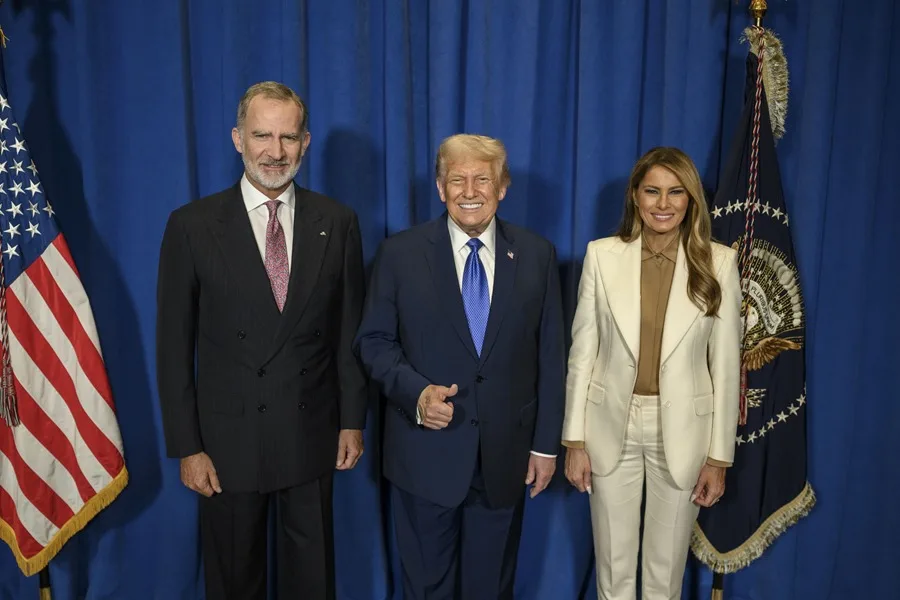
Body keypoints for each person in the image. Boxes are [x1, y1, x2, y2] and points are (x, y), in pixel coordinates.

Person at [155, 81, 367, 600]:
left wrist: (351, 420)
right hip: (227, 445)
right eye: (262, 136)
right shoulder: (192, 226)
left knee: (311, 582)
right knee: (233, 583)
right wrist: (188, 447)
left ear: (306, 142)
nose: (275, 152)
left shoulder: (337, 223)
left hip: (311, 432)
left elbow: (348, 334)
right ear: (237, 139)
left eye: (288, 138)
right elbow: (172, 347)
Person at [354, 134, 565, 599]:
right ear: (439, 187)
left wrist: (546, 447)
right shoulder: (399, 255)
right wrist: (416, 394)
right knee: (425, 589)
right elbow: (373, 341)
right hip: (423, 458)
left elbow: (551, 356)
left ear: (503, 187)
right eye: (457, 179)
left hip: (504, 460)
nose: (470, 191)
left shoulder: (536, 255)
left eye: (482, 179)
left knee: (490, 591)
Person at [562, 147, 742, 599]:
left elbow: (725, 367)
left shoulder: (719, 263)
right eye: (652, 192)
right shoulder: (601, 256)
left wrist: (719, 458)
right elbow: (582, 353)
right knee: (613, 569)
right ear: (635, 197)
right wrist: (574, 440)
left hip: (684, 432)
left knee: (664, 575)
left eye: (675, 192)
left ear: (691, 199)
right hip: (610, 427)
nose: (663, 204)